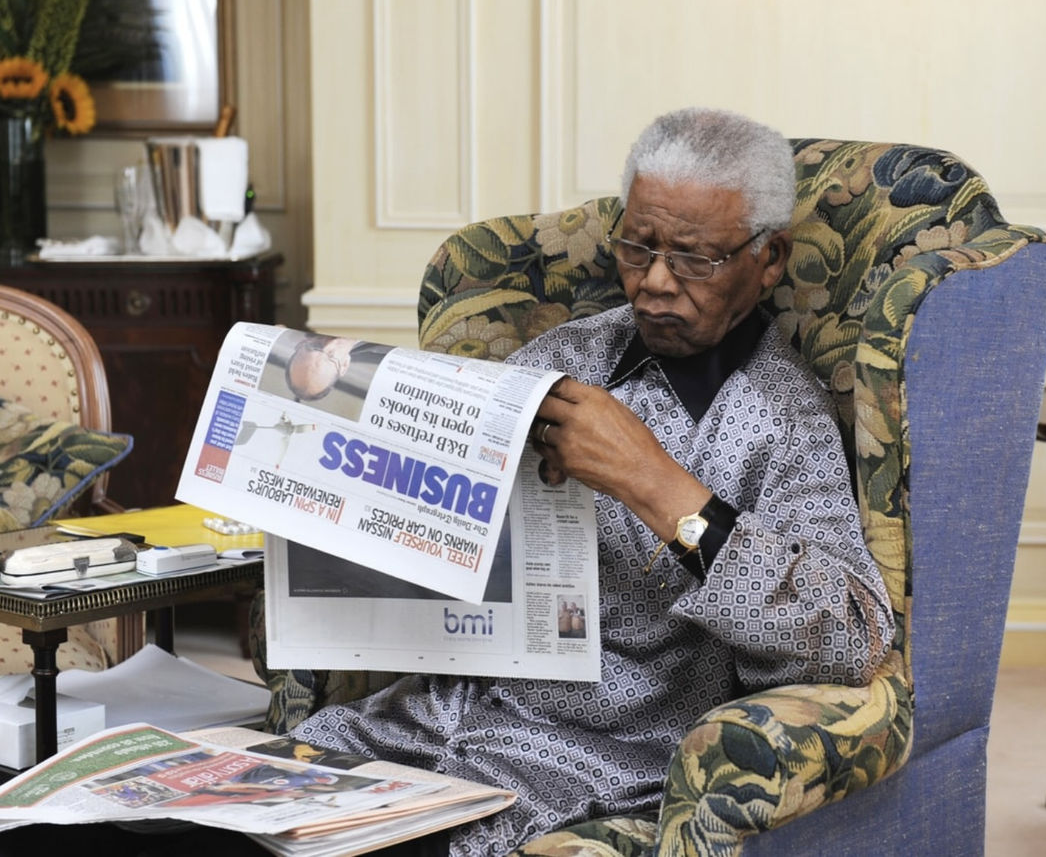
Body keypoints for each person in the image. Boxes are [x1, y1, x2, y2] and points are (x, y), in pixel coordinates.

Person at [288, 107, 895, 854]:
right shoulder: (566, 351)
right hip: (409, 724)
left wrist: (656, 484)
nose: (654, 283)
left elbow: (849, 638)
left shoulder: (786, 420)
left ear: (768, 259)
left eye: (695, 257)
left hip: (566, 765)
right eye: (637, 246)